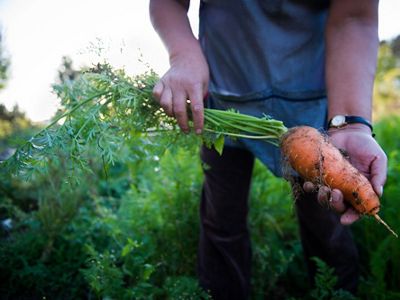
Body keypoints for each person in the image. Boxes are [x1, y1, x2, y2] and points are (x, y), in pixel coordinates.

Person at [149, 0, 387, 298]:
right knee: (222, 217)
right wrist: (183, 54)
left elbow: (353, 17)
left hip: (312, 105)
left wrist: (350, 123)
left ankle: (337, 292)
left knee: (326, 220)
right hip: (224, 102)